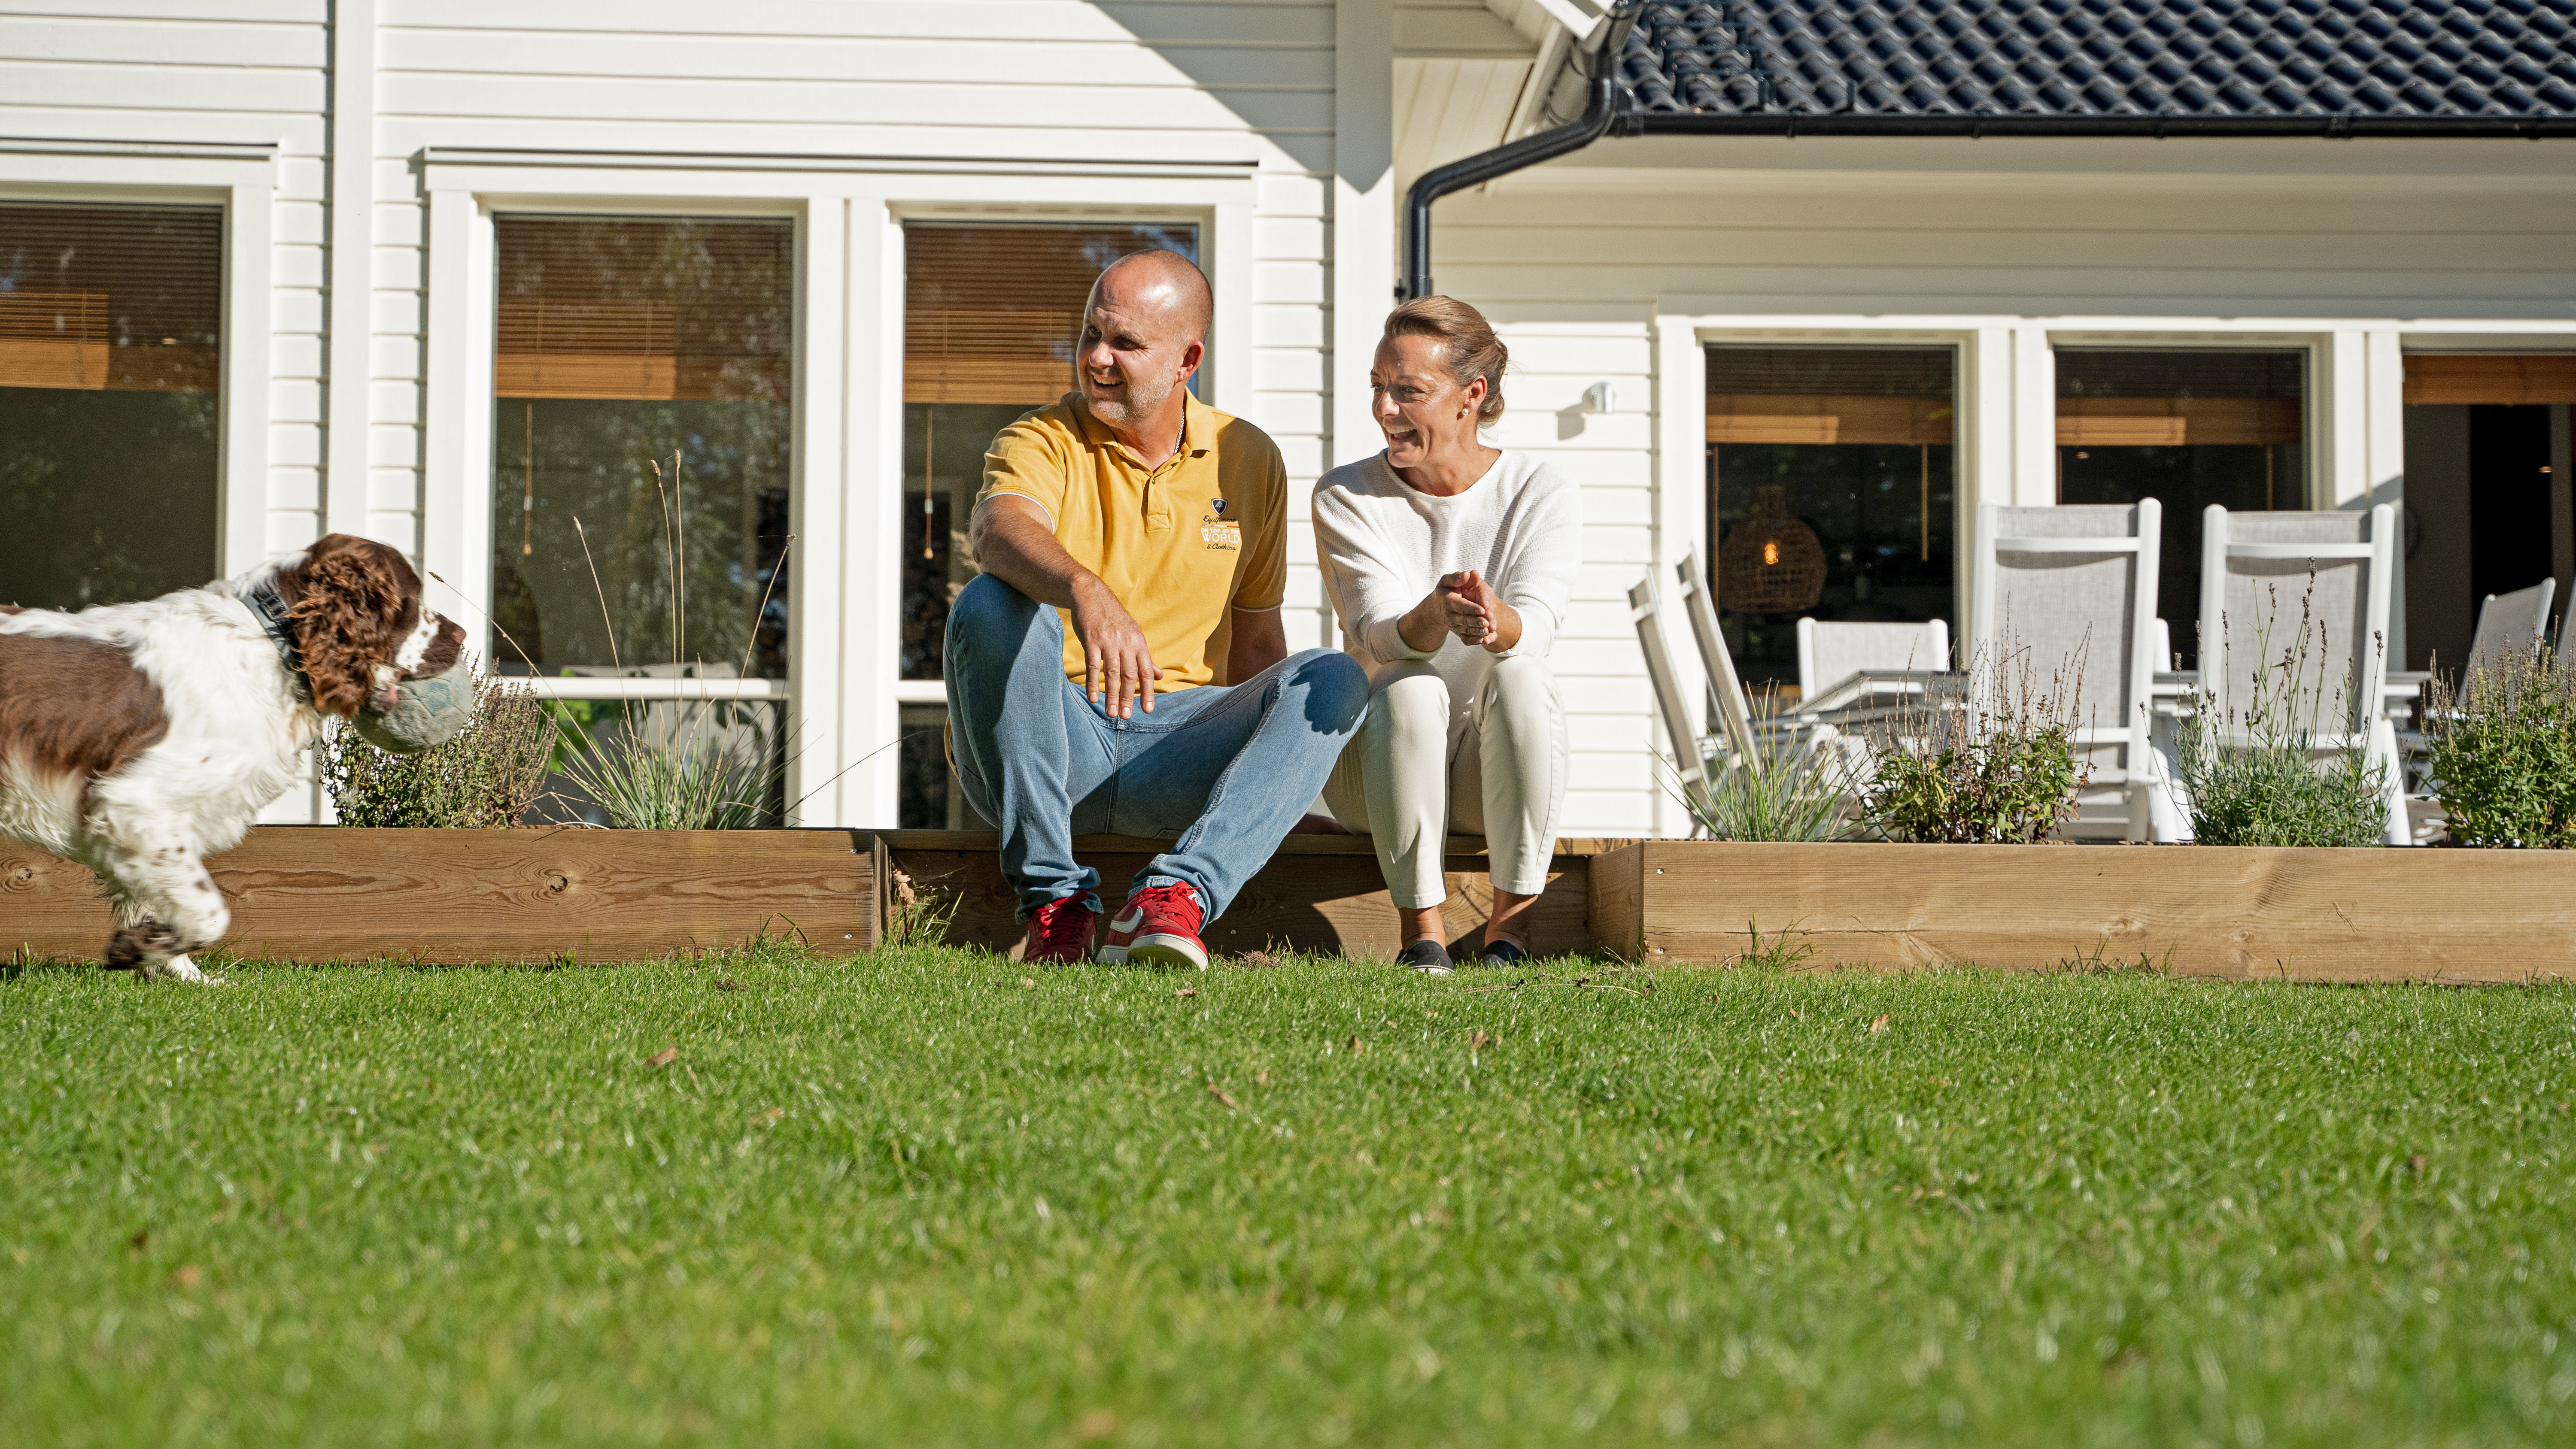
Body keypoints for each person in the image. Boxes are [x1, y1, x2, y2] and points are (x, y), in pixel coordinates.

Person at [946, 250, 1367, 969]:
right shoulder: (1039, 439)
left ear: (1187, 361)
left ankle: (1174, 899)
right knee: (990, 602)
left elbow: (1258, 644)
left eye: (1126, 343)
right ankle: (1056, 905)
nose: (1096, 358)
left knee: (1333, 674)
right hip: (1054, 748)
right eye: (1091, 334)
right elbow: (997, 529)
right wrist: (1084, 587)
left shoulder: (1248, 457)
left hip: (1180, 750)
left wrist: (1273, 801)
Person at [1313, 297, 1580, 975]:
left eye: (1409, 391)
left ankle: (1510, 935)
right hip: (1375, 771)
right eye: (1378, 387)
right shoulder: (1346, 496)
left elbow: (1536, 629)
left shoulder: (1540, 488)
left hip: (1484, 776)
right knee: (1407, 683)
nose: (1385, 409)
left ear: (1472, 396)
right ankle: (1422, 936)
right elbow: (1377, 636)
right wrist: (1435, 614)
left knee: (1524, 675)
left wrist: (1495, 619)